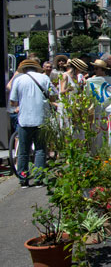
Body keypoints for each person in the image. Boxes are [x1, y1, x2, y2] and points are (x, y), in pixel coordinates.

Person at [9, 59, 55, 187]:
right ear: (37, 68)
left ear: (24, 69)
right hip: (41, 118)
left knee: (23, 151)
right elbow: (53, 95)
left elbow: (13, 101)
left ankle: (23, 178)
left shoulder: (19, 80)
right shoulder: (44, 78)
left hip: (24, 120)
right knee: (40, 149)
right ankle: (39, 178)